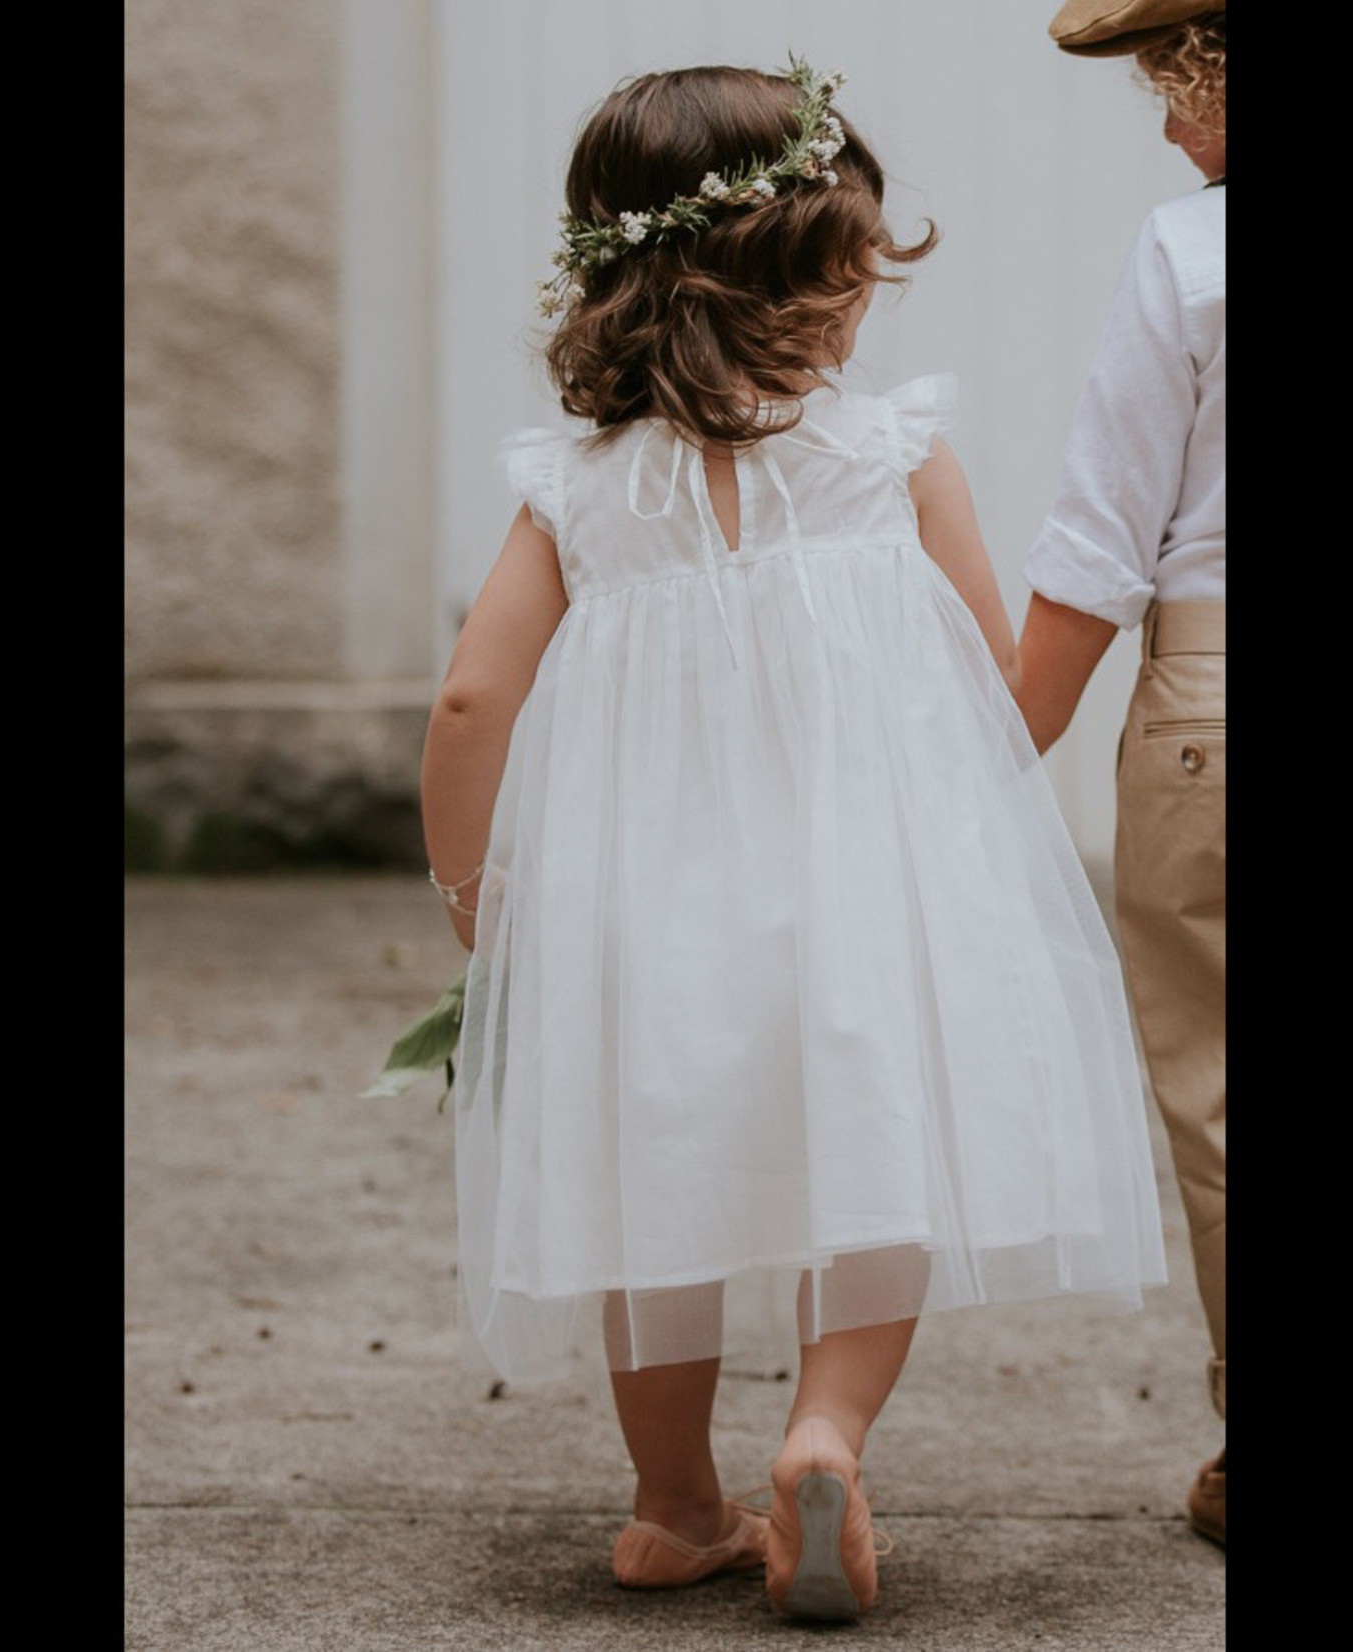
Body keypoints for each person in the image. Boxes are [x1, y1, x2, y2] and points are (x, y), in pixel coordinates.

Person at [420, 57, 1166, 1621]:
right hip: (867, 898)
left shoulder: (573, 488)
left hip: (643, 909)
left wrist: (473, 883)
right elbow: (988, 688)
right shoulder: (889, 457)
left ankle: (672, 1505)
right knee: (877, 1158)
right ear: (828, 276)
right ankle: (824, 1433)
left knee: (649, 1185)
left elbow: (471, 703)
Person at [1015, 3, 1226, 1547]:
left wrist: (978, 751)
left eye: (1178, 83)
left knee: (1222, 1079)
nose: (1166, 127)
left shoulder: (1192, 255)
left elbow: (1101, 540)